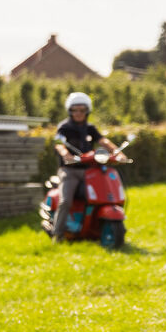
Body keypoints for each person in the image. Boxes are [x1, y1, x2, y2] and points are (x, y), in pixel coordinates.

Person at [51, 91, 122, 242]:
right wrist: (66, 155)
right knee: (66, 200)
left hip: (89, 171)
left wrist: (117, 152)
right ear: (70, 111)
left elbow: (103, 141)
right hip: (69, 171)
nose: (78, 113)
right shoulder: (64, 127)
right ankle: (58, 234)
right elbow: (59, 144)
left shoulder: (90, 128)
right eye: (74, 110)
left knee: (103, 195)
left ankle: (94, 226)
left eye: (81, 110)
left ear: (87, 111)